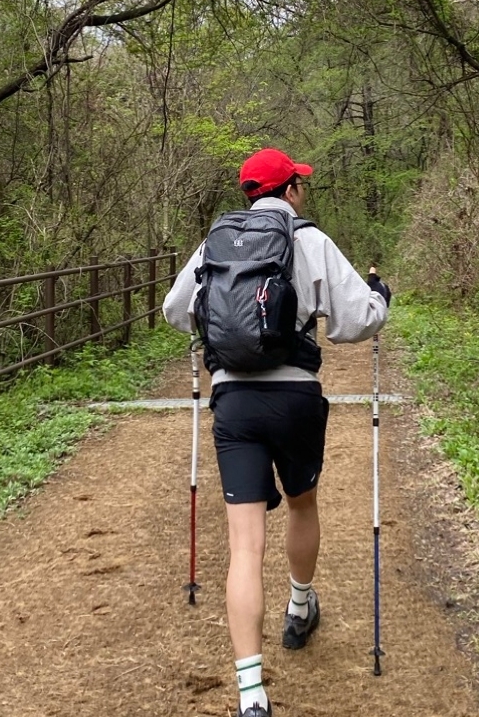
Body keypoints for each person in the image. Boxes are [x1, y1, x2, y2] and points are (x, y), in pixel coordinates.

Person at [163, 147, 391, 717]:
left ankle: (251, 695)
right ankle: (299, 608)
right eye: (300, 183)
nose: (302, 191)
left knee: (244, 545)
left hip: (233, 401)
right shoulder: (309, 239)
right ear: (289, 189)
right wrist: (381, 298)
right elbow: (357, 320)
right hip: (295, 399)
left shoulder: (215, 242)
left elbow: (175, 310)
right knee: (301, 503)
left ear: (248, 194)